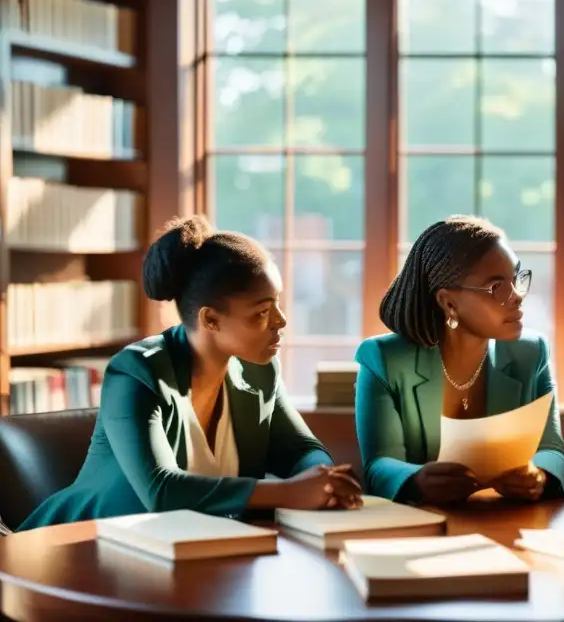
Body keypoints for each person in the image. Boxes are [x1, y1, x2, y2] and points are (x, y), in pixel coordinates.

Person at [18, 216, 362, 531]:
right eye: (261, 312)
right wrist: (288, 493)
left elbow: (298, 447)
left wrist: (323, 478)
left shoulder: (259, 369)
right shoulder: (136, 372)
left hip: (187, 549)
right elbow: (162, 490)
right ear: (210, 319)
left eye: (277, 303)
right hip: (81, 548)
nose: (281, 322)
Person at [355, 216, 564, 506]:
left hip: (509, 521)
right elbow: (379, 465)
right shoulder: (384, 359)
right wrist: (417, 480)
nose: (518, 296)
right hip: (422, 527)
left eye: (517, 279)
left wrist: (539, 475)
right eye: (496, 287)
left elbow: (553, 450)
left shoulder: (532, 353)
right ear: (449, 302)